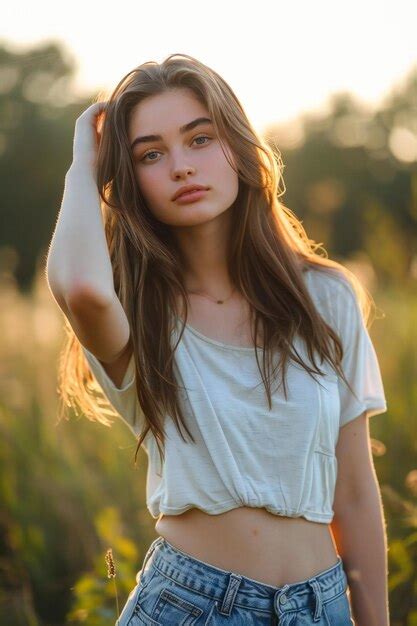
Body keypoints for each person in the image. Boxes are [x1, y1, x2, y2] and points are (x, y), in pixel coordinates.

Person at [46, 53, 389, 625]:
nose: (180, 166)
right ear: (128, 181)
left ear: (240, 149)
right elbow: (80, 286)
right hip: (190, 606)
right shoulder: (137, 314)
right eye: (150, 155)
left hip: (320, 608)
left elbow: (353, 492)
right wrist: (83, 160)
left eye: (200, 139)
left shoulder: (325, 299)